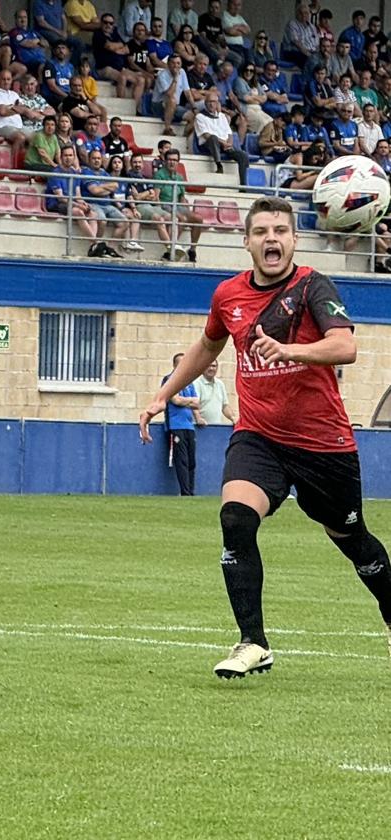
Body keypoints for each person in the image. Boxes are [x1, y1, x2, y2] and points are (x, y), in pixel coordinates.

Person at [140, 195, 391, 679]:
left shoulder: (314, 286)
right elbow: (207, 344)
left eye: (280, 230)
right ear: (248, 242)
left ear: (294, 239)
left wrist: (289, 349)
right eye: (261, 232)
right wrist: (162, 395)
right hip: (258, 436)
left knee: (353, 540)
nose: (271, 239)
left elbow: (346, 346)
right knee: (235, 518)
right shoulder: (228, 296)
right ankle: (253, 642)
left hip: (323, 445)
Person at [158, 351, 199, 495]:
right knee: (181, 460)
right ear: (175, 365)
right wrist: (189, 401)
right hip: (175, 426)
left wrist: (187, 403)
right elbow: (175, 400)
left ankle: (191, 491)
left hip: (189, 425)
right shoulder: (168, 380)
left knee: (191, 461)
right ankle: (185, 492)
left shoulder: (189, 381)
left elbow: (197, 403)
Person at [194, 359, 236, 425]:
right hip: (201, 427)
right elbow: (194, 405)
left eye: (213, 366)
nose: (211, 368)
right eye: (208, 366)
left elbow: (224, 406)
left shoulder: (220, 384)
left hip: (216, 428)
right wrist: (198, 418)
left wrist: (233, 418)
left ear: (217, 368)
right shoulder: (196, 383)